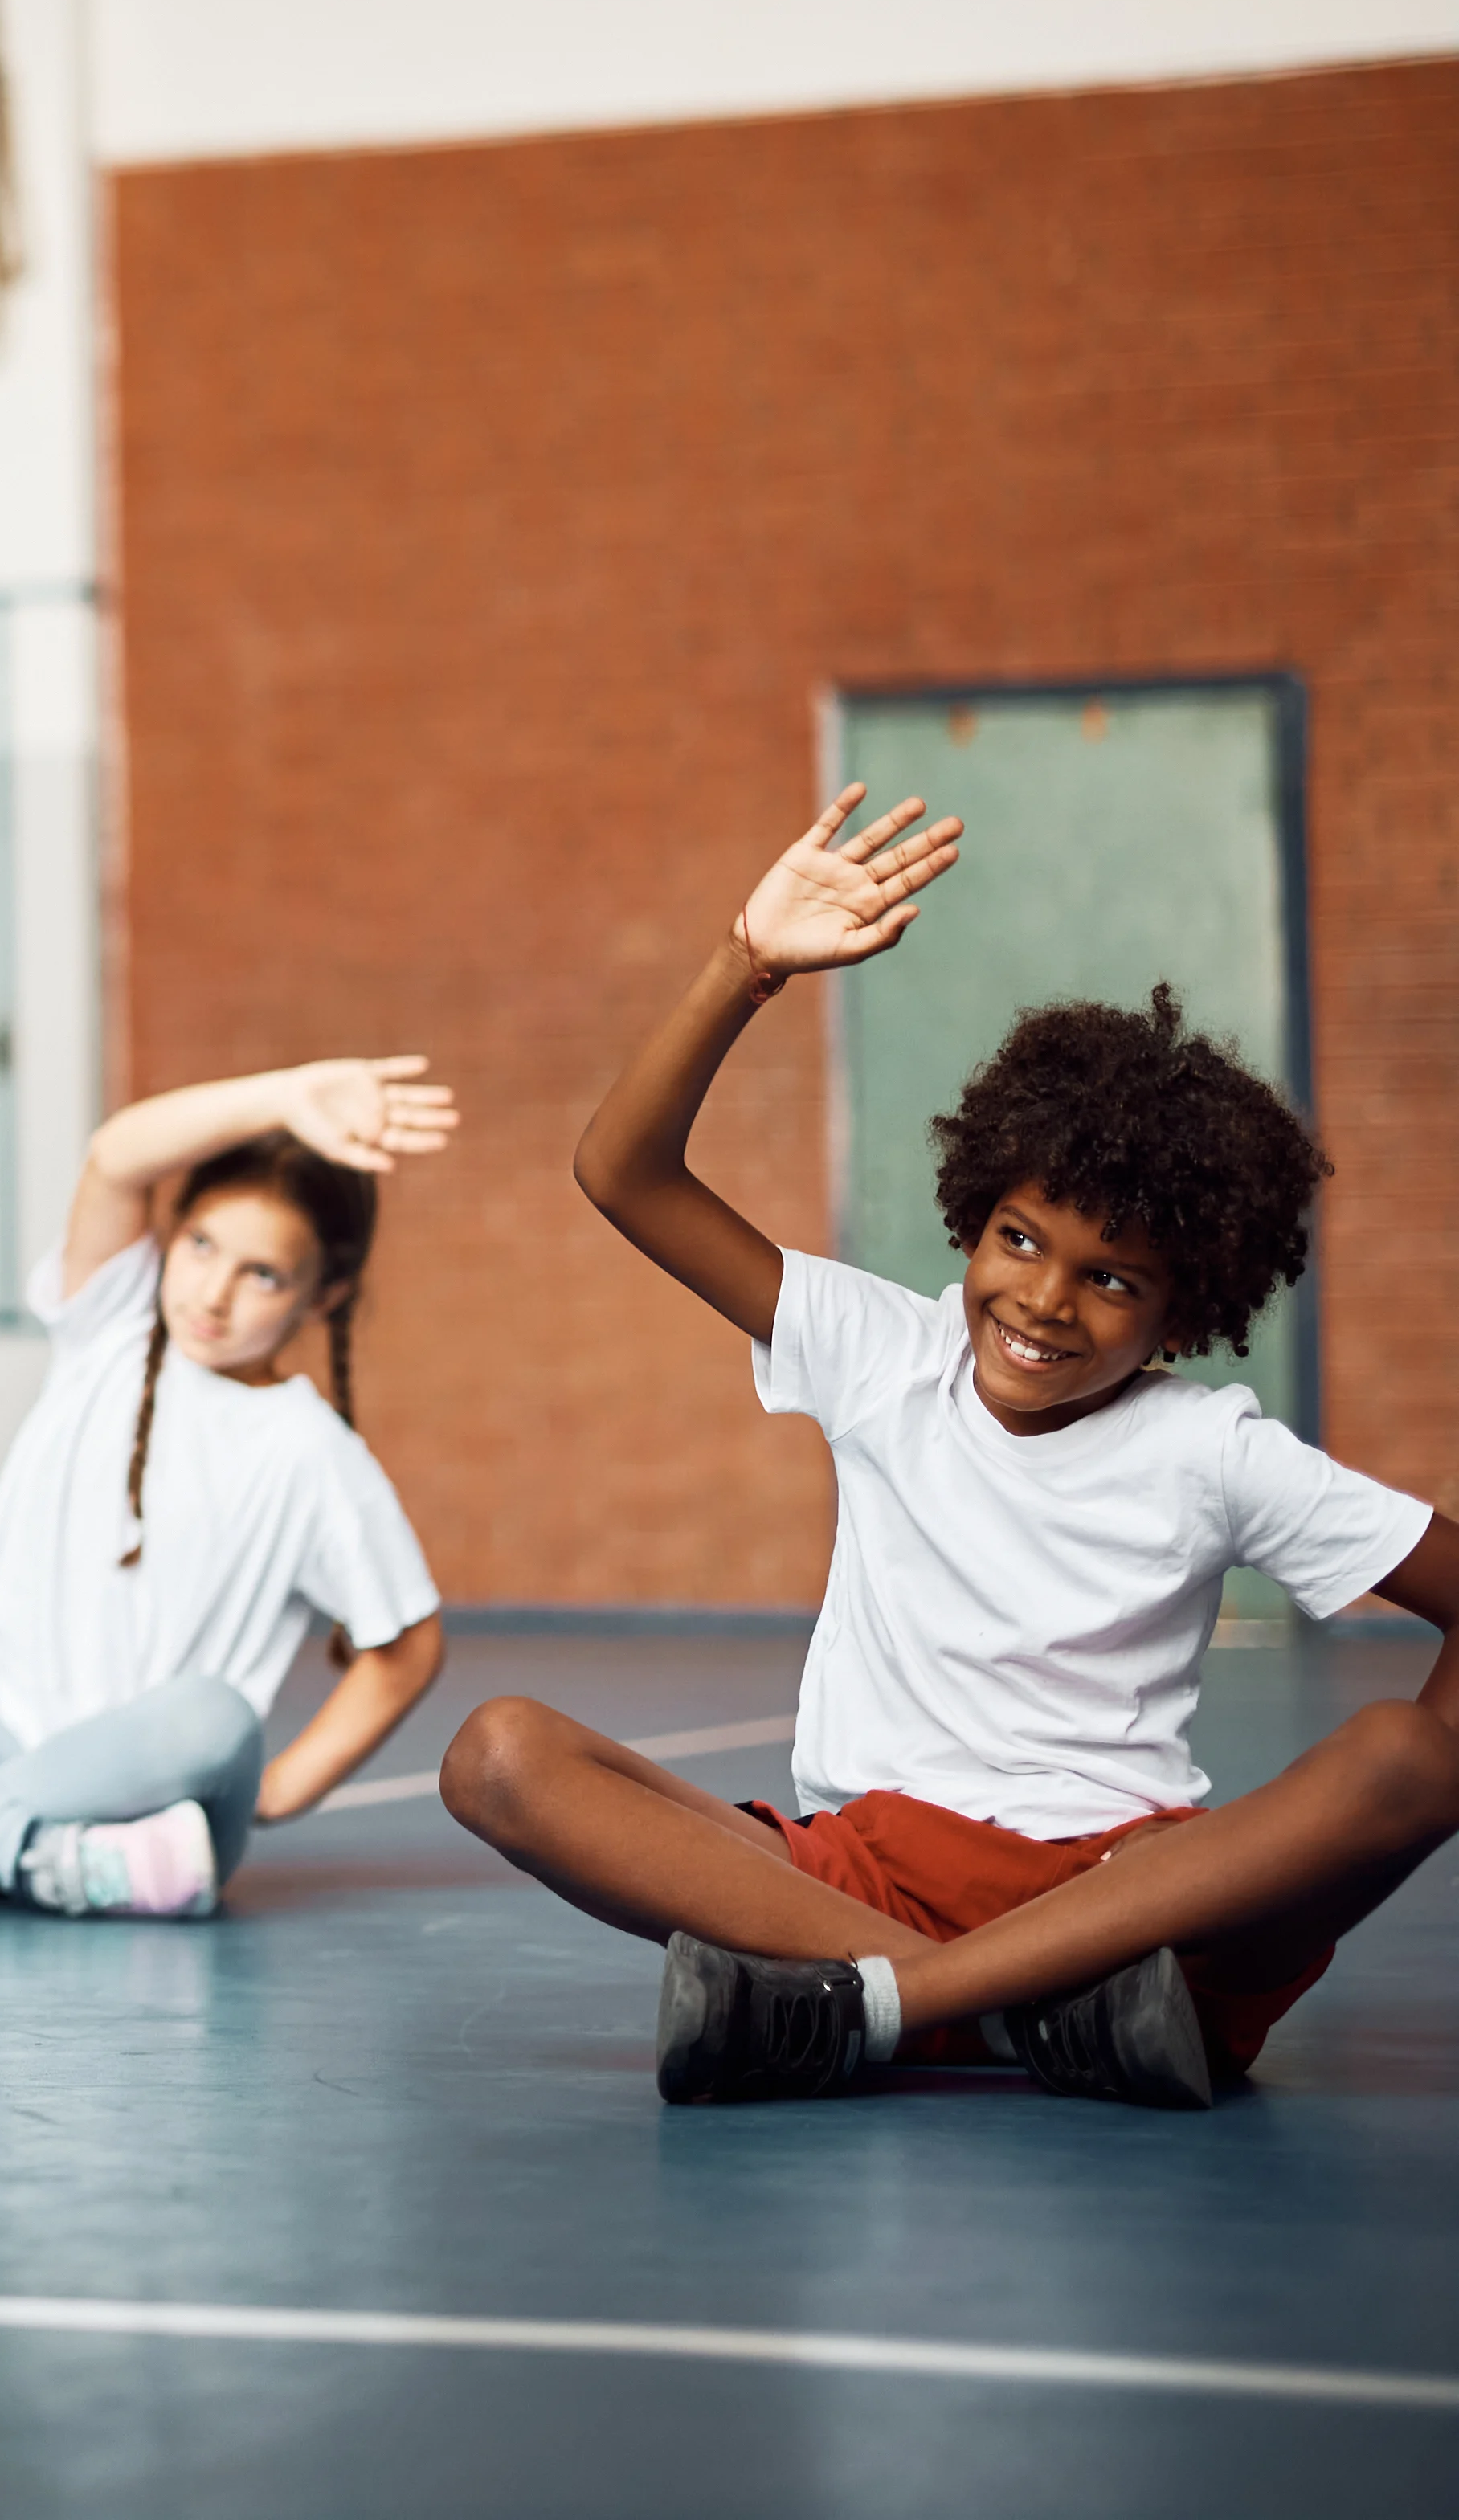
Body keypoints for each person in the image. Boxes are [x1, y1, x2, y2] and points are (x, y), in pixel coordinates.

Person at [443, 788, 1459, 2108]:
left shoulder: (1213, 1449)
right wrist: (744, 965)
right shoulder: (884, 1351)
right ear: (973, 1217)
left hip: (1127, 1898)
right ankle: (1016, 2023)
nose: (1043, 1301)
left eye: (1112, 1280)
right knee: (501, 1754)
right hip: (864, 1878)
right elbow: (624, 1173)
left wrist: (1266, 1882)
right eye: (1022, 1240)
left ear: (1186, 1310)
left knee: (1403, 1760)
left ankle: (896, 2010)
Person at [0, 1060, 458, 1920]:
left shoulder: (314, 1453)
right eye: (200, 1247)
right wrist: (281, 1099)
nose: (214, 1293)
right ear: (171, 1237)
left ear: (324, 1294)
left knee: (216, 1714)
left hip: (157, 1799)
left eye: (262, 1274)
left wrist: (274, 1791)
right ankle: (35, 1856)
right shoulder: (109, 1326)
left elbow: (407, 1646)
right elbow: (117, 1157)